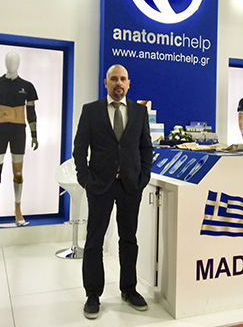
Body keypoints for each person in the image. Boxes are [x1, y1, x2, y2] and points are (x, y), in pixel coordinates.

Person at [73, 64, 152, 319]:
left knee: (129, 239)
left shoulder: (139, 111)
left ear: (128, 83)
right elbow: (79, 148)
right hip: (99, 185)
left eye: (123, 79)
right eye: (114, 79)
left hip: (130, 185)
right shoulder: (91, 110)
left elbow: (146, 147)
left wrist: (144, 176)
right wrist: (85, 178)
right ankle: (92, 295)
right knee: (94, 240)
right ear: (105, 83)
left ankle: (129, 289)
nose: (119, 83)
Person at [0, 52, 39, 230]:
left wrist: (34, 134)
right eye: (9, 61)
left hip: (18, 132)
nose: (12, 64)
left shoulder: (27, 86)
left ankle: (18, 210)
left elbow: (31, 113)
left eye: (15, 61)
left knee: (18, 173)